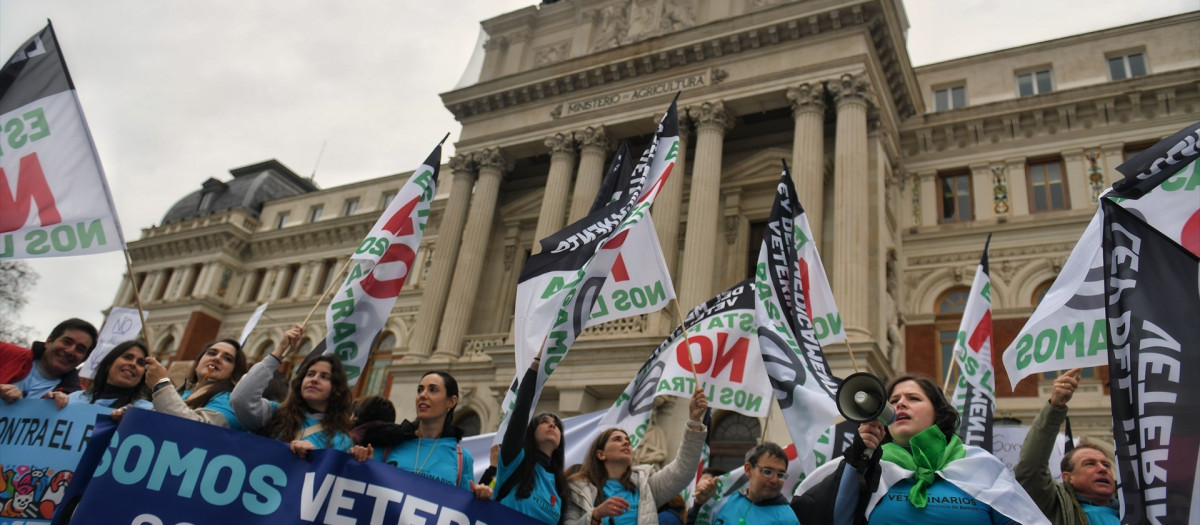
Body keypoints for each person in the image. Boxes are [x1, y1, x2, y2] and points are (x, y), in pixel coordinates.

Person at [792, 374, 1048, 525]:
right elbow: (834, 519)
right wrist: (859, 458)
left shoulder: (980, 465)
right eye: (893, 401)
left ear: (938, 413)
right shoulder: (868, 467)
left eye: (913, 398)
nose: (901, 403)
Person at [563, 386, 708, 525]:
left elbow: (683, 470)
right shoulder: (578, 489)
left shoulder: (646, 486)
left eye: (628, 441)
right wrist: (596, 515)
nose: (626, 443)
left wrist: (694, 420)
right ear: (601, 454)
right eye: (617, 440)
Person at [350, 371, 488, 499]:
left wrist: (480, 497)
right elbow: (363, 490)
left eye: (433, 390)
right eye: (420, 390)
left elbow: (464, 509)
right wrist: (360, 461)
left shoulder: (462, 458)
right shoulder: (388, 443)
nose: (423, 395)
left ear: (451, 402)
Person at [230, 325, 353, 456]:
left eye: (324, 377)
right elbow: (240, 399)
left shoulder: (342, 440)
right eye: (310, 374)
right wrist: (279, 352)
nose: (314, 379)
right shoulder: (274, 414)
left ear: (336, 388)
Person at [1014, 368, 1118, 525]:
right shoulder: (1055, 507)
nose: (1102, 469)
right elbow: (1030, 468)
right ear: (1068, 477)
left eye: (1106, 465)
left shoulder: (1135, 511)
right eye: (1090, 463)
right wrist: (1055, 408)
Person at [493, 356, 567, 523]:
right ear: (531, 433)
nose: (552, 426)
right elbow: (520, 412)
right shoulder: (514, 463)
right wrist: (536, 364)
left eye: (556, 425)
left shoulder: (560, 487)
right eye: (544, 422)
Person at [144, 339, 249, 430]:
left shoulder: (231, 401)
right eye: (212, 353)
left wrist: (161, 385)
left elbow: (195, 429)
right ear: (197, 363)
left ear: (235, 373)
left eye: (227, 359)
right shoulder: (182, 391)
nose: (216, 358)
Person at [692, 442, 798, 525]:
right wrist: (698, 503)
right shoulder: (724, 502)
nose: (774, 480)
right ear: (748, 470)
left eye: (780, 475)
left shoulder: (787, 519)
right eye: (767, 472)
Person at [0, 318, 98, 402]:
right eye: (67, 342)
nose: (70, 351)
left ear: (83, 359)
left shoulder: (79, 398)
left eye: (80, 349)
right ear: (48, 341)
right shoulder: (4, 352)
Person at [44, 340, 152, 412]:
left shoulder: (145, 410)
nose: (133, 364)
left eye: (141, 363)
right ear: (109, 363)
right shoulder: (75, 398)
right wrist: (49, 404)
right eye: (127, 357)